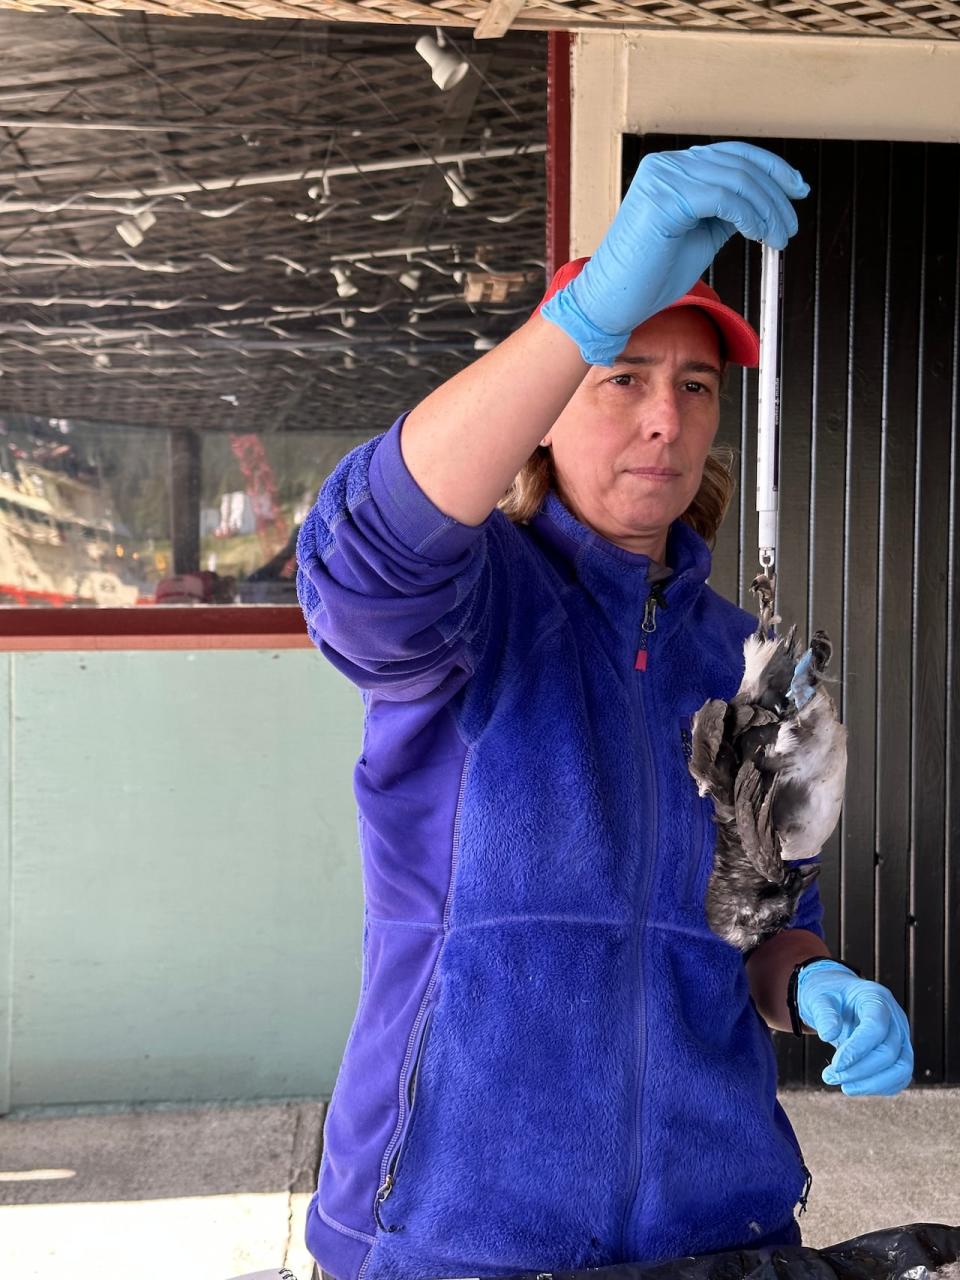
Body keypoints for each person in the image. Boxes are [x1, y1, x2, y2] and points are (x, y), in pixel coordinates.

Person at [296, 142, 914, 1280]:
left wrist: (816, 982)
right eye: (620, 374)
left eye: (695, 385)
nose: (664, 419)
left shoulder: (764, 668)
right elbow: (355, 559)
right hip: (452, 1229)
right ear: (545, 405)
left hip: (720, 1231)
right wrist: (577, 315)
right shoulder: (471, 602)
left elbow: (765, 924)